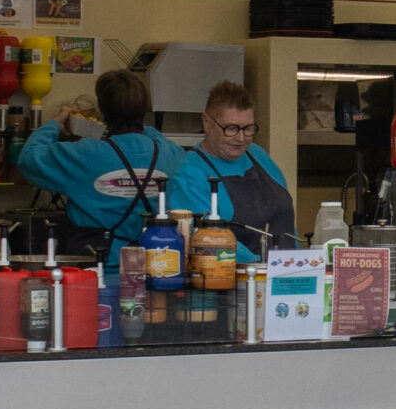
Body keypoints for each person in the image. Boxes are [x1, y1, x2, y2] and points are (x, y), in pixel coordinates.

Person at [15, 68, 185, 278]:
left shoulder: (85, 154)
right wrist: (139, 127)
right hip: (157, 270)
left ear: (102, 111)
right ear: (143, 110)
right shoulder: (171, 154)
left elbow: (28, 158)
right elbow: (153, 137)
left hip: (95, 272)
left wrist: (54, 125)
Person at [163, 79, 297, 265]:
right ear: (207, 122)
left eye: (248, 128)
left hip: (290, 273)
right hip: (231, 281)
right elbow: (209, 241)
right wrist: (264, 265)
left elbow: (285, 220)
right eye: (231, 128)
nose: (241, 138)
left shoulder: (258, 156)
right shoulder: (188, 177)